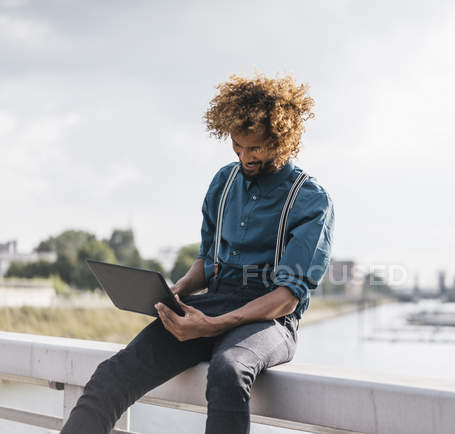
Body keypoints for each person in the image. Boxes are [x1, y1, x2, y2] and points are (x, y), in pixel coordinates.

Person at [60, 73, 335, 434]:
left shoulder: (311, 199)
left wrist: (214, 325)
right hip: (211, 303)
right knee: (112, 374)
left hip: (269, 320)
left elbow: (286, 299)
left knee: (229, 371)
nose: (244, 156)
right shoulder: (224, 181)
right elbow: (208, 260)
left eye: (255, 148)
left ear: (281, 140)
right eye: (237, 145)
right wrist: (180, 289)